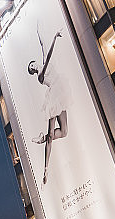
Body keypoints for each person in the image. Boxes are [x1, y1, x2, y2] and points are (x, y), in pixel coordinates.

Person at [28, 26, 68, 184]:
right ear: (33, 72)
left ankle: (42, 138)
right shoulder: (40, 75)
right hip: (53, 98)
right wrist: (54, 38)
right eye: (32, 68)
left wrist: (40, 31)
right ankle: (46, 169)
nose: (34, 66)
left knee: (64, 132)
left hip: (60, 93)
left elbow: (44, 47)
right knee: (52, 136)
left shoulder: (43, 63)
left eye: (33, 64)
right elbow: (49, 54)